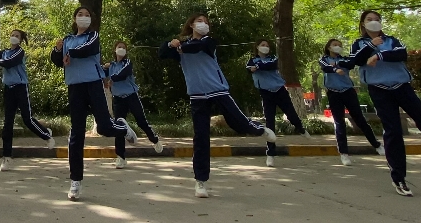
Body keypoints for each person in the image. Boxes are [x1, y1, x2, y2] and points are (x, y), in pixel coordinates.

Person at [159, 14, 276, 199]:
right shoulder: (182, 46)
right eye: (200, 21)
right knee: (201, 138)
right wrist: (170, 44)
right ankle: (201, 181)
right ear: (191, 24)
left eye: (206, 22)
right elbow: (162, 53)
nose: (203, 24)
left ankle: (259, 130)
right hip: (197, 95)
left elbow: (197, 47)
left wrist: (179, 46)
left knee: (239, 123)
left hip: (218, 91)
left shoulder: (208, 42)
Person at [347, 10, 421, 197]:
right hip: (379, 90)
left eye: (377, 19)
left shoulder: (392, 40)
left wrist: (380, 55)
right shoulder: (358, 43)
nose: (374, 22)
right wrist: (370, 47)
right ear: (363, 24)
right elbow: (354, 61)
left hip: (401, 86)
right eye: (369, 20)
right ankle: (399, 178)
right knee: (393, 131)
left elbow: (402, 53)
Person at [52, 6, 137, 201]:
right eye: (80, 15)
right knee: (76, 134)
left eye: (87, 15)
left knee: (105, 127)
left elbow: (86, 50)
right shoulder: (67, 39)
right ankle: (75, 181)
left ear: (91, 20)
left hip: (93, 84)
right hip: (75, 87)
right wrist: (57, 50)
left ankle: (122, 129)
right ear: (74, 19)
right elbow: (57, 61)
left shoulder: (93, 36)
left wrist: (69, 52)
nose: (83, 18)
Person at [0, 29, 55, 172]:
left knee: (27, 119)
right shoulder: (4, 52)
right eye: (12, 35)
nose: (13, 38)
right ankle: (6, 157)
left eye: (16, 36)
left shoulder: (19, 52)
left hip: (21, 88)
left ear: (21, 39)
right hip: (9, 89)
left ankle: (46, 135)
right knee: (8, 124)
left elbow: (9, 63)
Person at [247, 39, 310, 167]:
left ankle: (301, 129)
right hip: (265, 93)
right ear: (257, 47)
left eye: (267, 45)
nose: (265, 47)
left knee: (292, 115)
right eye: (262, 45)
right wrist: (254, 68)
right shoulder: (252, 60)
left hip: (280, 90)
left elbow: (271, 65)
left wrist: (258, 67)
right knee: (270, 123)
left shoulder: (273, 58)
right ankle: (271, 153)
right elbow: (249, 69)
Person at [318, 39, 383, 166]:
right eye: (335, 45)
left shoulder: (346, 59)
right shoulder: (323, 59)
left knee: (360, 119)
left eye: (340, 45)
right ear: (328, 47)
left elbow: (350, 64)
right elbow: (325, 67)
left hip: (348, 91)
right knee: (339, 122)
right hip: (333, 93)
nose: (338, 47)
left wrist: (336, 65)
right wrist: (335, 69)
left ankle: (377, 145)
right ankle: (344, 153)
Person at [104, 41, 162, 169]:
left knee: (141, 121)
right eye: (119, 47)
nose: (121, 49)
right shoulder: (111, 66)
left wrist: (111, 78)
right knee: (118, 128)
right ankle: (120, 157)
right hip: (118, 99)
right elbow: (100, 74)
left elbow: (123, 74)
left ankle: (155, 140)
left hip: (131, 97)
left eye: (123, 48)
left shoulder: (127, 63)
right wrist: (105, 72)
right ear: (114, 50)